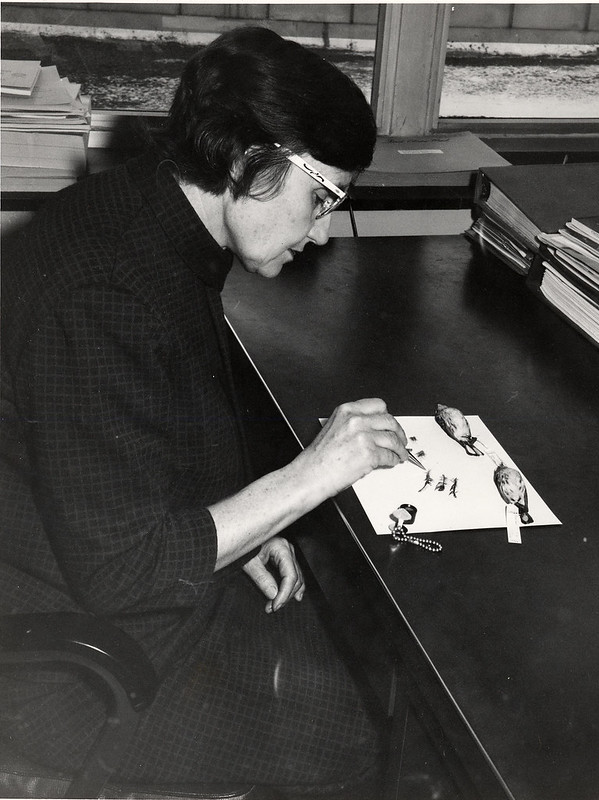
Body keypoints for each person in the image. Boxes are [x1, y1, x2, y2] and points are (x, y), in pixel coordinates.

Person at [0, 26, 413, 798]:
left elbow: (131, 433)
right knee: (372, 723)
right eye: (321, 196)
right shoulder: (103, 296)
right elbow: (122, 571)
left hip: (79, 569)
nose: (323, 231)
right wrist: (310, 474)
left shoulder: (151, 217)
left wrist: (237, 523)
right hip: (69, 661)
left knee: (355, 660)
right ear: (246, 162)